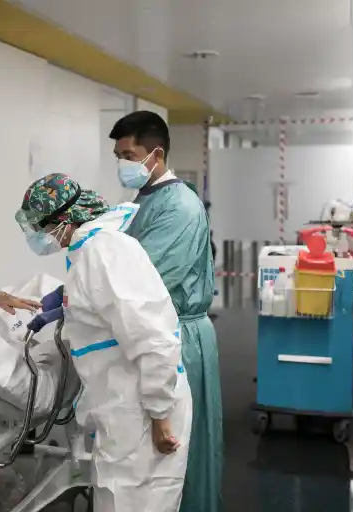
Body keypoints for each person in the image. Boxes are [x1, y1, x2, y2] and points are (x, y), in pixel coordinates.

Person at [16, 173, 192, 512]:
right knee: (116, 498)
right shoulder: (88, 251)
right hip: (124, 408)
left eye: (41, 226)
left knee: (141, 501)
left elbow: (154, 338)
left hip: (145, 411)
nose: (38, 236)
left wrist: (160, 415)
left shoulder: (106, 251)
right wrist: (69, 303)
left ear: (64, 220)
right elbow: (107, 306)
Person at [109, 111, 222, 512]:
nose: (122, 164)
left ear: (156, 154)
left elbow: (144, 279)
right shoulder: (144, 199)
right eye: (118, 156)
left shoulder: (181, 207)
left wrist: (83, 298)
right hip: (154, 329)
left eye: (129, 155)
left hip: (179, 337)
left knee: (179, 449)